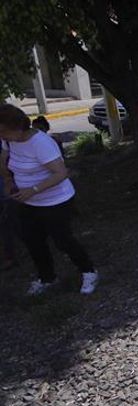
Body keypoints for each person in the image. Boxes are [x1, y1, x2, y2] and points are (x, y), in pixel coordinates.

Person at [0, 104, 98, 295]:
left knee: (63, 240)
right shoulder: (8, 140)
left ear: (17, 127)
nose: (1, 135)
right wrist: (8, 180)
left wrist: (33, 190)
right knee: (33, 241)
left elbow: (61, 173)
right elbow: (4, 160)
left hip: (56, 201)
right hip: (28, 202)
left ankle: (88, 271)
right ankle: (47, 278)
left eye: (3, 130)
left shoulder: (40, 143)